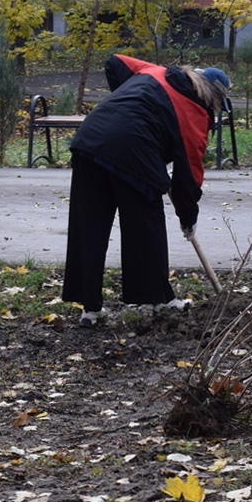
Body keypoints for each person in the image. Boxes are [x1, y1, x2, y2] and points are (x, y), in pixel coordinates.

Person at [62, 54, 230, 326]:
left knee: (88, 228)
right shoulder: (195, 112)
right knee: (145, 226)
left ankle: (89, 310)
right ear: (212, 97)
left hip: (91, 138)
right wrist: (189, 219)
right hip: (135, 151)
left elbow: (114, 62)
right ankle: (158, 299)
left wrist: (130, 103)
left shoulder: (154, 71)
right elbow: (190, 175)